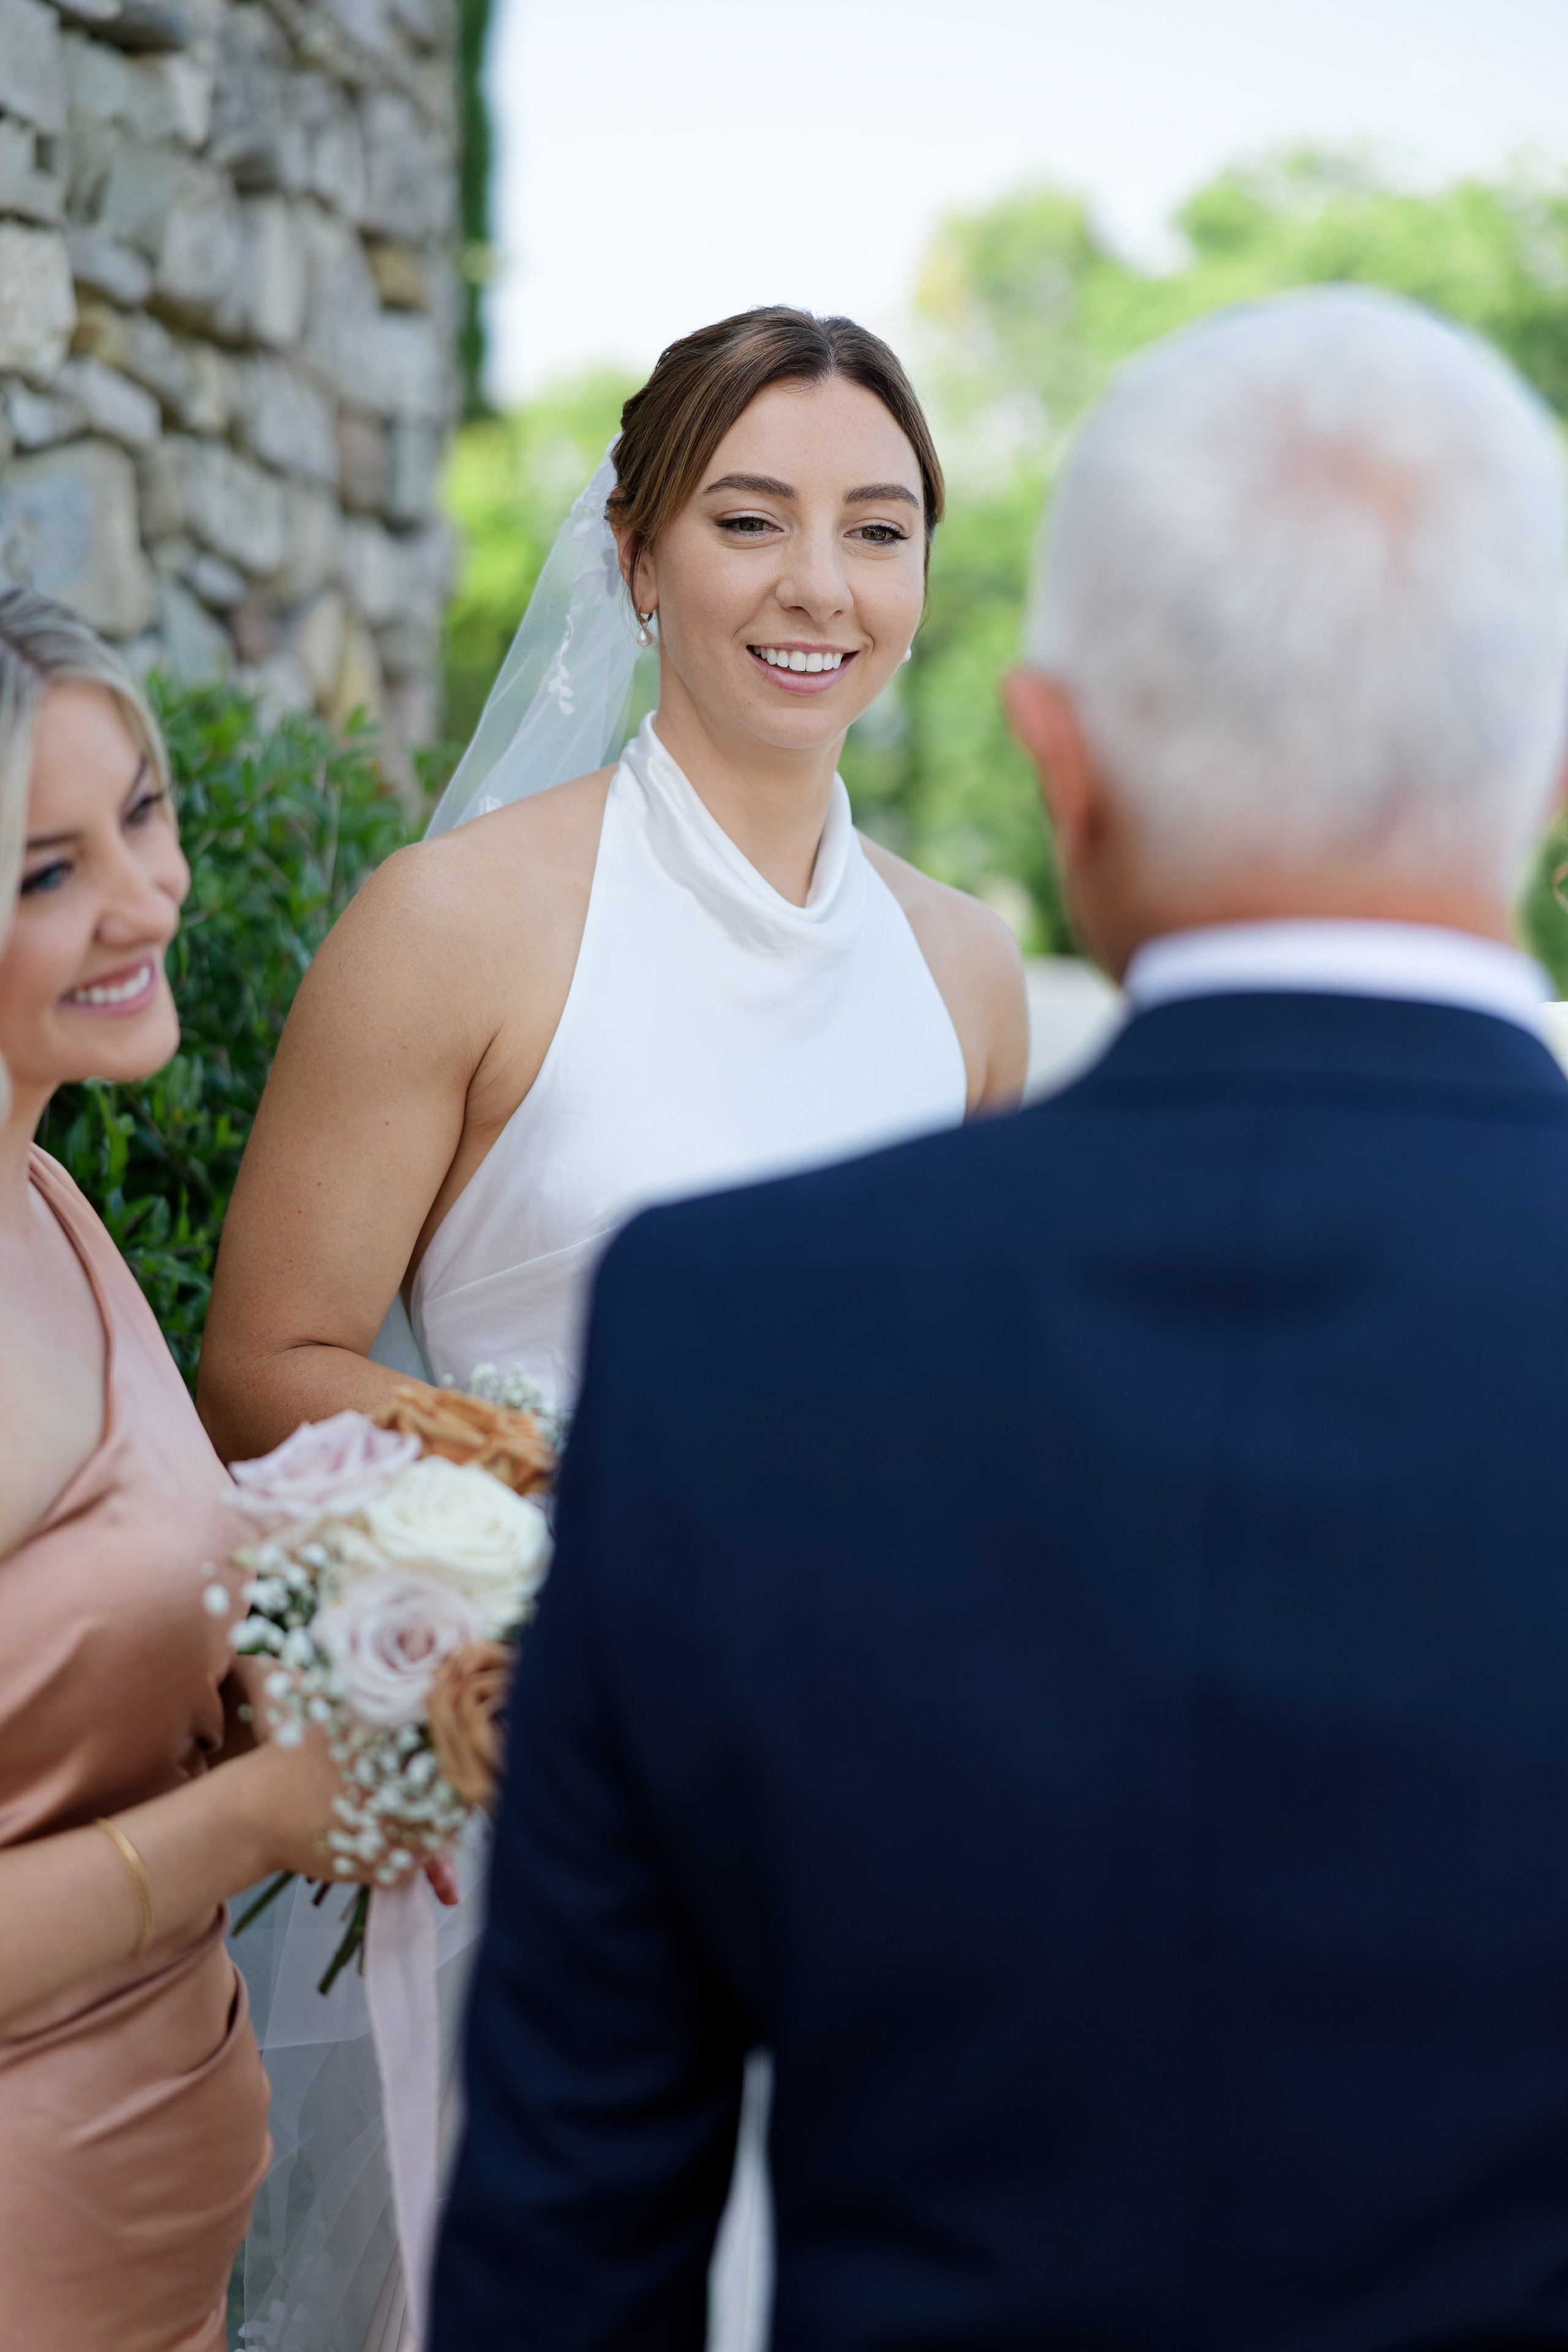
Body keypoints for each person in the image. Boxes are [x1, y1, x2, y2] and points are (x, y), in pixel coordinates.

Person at [433, 284, 1568, 2349]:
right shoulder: (505, 949)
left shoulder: (722, 1334)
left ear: (1058, 752)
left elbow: (569, 2245)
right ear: (1551, 757)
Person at [197, 306, 1025, 2351]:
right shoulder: (457, 922)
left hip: (896, 1796)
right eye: (751, 520)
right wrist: (565, 1494)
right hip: (555, 1780)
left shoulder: (971, 969)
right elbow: (265, 1363)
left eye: (879, 527)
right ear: (640, 556)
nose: (822, 585)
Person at [0, 590, 394, 2352]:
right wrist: (253, 1814)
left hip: (144, 2245)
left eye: (144, 815)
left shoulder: (47, 1192)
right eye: (43, 873)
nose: (148, 900)